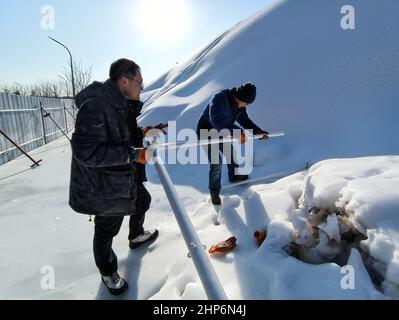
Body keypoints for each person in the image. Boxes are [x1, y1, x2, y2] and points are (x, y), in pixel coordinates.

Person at [69, 58, 159, 296]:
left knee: (143, 200)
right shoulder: (96, 106)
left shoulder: (119, 103)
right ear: (124, 81)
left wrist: (142, 132)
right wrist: (132, 154)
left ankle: (136, 235)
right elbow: (85, 152)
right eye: (139, 81)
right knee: (106, 230)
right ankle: (108, 270)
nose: (142, 86)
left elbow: (120, 133)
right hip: (103, 187)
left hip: (123, 178)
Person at [196, 83, 269, 205]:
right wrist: (238, 132)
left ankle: (234, 176)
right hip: (206, 131)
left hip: (223, 130)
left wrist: (258, 131)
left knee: (230, 153)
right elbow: (216, 120)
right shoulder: (220, 98)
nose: (246, 106)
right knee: (216, 163)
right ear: (241, 98)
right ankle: (214, 192)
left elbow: (245, 121)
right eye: (246, 103)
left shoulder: (240, 106)